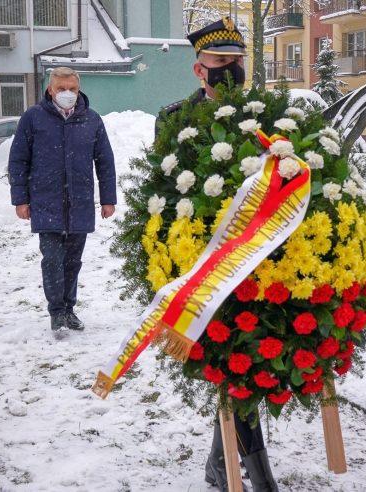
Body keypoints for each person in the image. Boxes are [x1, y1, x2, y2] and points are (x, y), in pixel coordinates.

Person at [156, 18, 279, 492]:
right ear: (198, 69)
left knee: (241, 361)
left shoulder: (265, 114)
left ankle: (223, 466)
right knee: (230, 362)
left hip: (259, 259)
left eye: (236, 62)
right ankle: (254, 477)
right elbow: (164, 196)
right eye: (220, 63)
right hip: (201, 264)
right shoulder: (173, 119)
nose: (231, 71)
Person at [9, 67, 116, 337]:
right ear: (50, 90)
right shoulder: (33, 118)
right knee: (52, 260)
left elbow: (105, 161)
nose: (67, 94)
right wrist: (20, 199)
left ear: (78, 90)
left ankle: (69, 309)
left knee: (73, 262)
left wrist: (108, 199)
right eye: (61, 89)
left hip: (79, 203)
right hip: (46, 202)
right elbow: (18, 160)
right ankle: (56, 312)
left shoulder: (91, 120)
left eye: (72, 89)